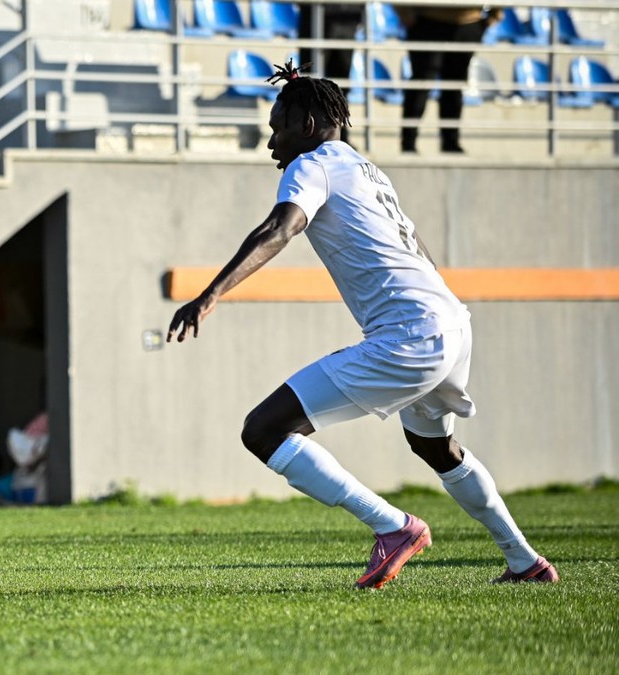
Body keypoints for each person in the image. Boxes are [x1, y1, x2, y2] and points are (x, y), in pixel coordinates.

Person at [166, 60, 558, 588]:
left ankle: (393, 528)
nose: (271, 144)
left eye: (276, 127)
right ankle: (524, 561)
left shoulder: (311, 166)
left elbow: (281, 228)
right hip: (451, 323)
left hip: (411, 334)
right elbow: (416, 248)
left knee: (263, 429)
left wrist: (210, 293)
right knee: (435, 447)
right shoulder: (367, 170)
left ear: (305, 126)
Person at [398, 5, 501, 153]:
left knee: (454, 86)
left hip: (469, 23)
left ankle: (451, 143)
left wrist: (495, 14)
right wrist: (404, 11)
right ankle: (408, 143)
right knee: (421, 84)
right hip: (426, 21)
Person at [297, 2, 362, 145]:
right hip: (315, 15)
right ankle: (306, 133)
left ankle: (340, 136)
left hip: (347, 18)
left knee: (340, 84)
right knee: (309, 83)